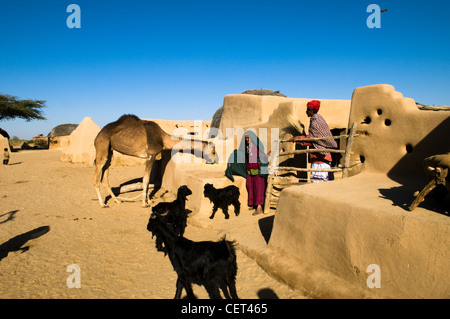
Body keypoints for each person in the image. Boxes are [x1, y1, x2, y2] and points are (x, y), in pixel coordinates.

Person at [225, 131, 269, 215]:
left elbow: (263, 157)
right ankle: (253, 204)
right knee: (250, 186)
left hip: (257, 171)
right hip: (250, 171)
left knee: (258, 188)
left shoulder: (257, 147)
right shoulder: (247, 147)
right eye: (246, 138)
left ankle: (259, 207)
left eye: (248, 138)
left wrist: (261, 170)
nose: (247, 139)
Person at [292, 100, 337, 182]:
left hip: (320, 160)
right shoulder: (319, 119)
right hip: (322, 158)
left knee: (319, 183)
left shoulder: (315, 122)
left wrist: (296, 139)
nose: (306, 111)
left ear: (312, 110)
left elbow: (311, 139)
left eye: (307, 109)